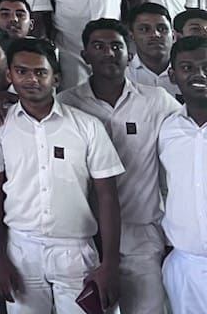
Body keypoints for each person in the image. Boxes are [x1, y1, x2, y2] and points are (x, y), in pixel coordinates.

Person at [0, 38, 125, 314]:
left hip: (76, 249)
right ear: (9, 75)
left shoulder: (87, 126)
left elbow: (107, 196)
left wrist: (110, 263)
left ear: (55, 78)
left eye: (40, 72)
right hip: (21, 248)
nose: (31, 79)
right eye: (21, 71)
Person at [59, 19, 181, 314]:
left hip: (141, 233)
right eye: (98, 46)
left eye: (116, 46)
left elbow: (191, 129)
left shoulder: (156, 101)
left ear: (130, 54)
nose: (108, 53)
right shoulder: (67, 104)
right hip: (85, 236)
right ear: (85, 55)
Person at [158, 33, 207, 312]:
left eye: (206, 67)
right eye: (187, 68)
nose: (199, 75)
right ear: (173, 75)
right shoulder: (167, 129)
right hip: (185, 266)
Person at [127, 1, 178, 97]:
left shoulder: (189, 72)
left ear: (173, 35)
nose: (155, 34)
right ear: (132, 36)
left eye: (162, 29)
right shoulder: (123, 76)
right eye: (144, 29)